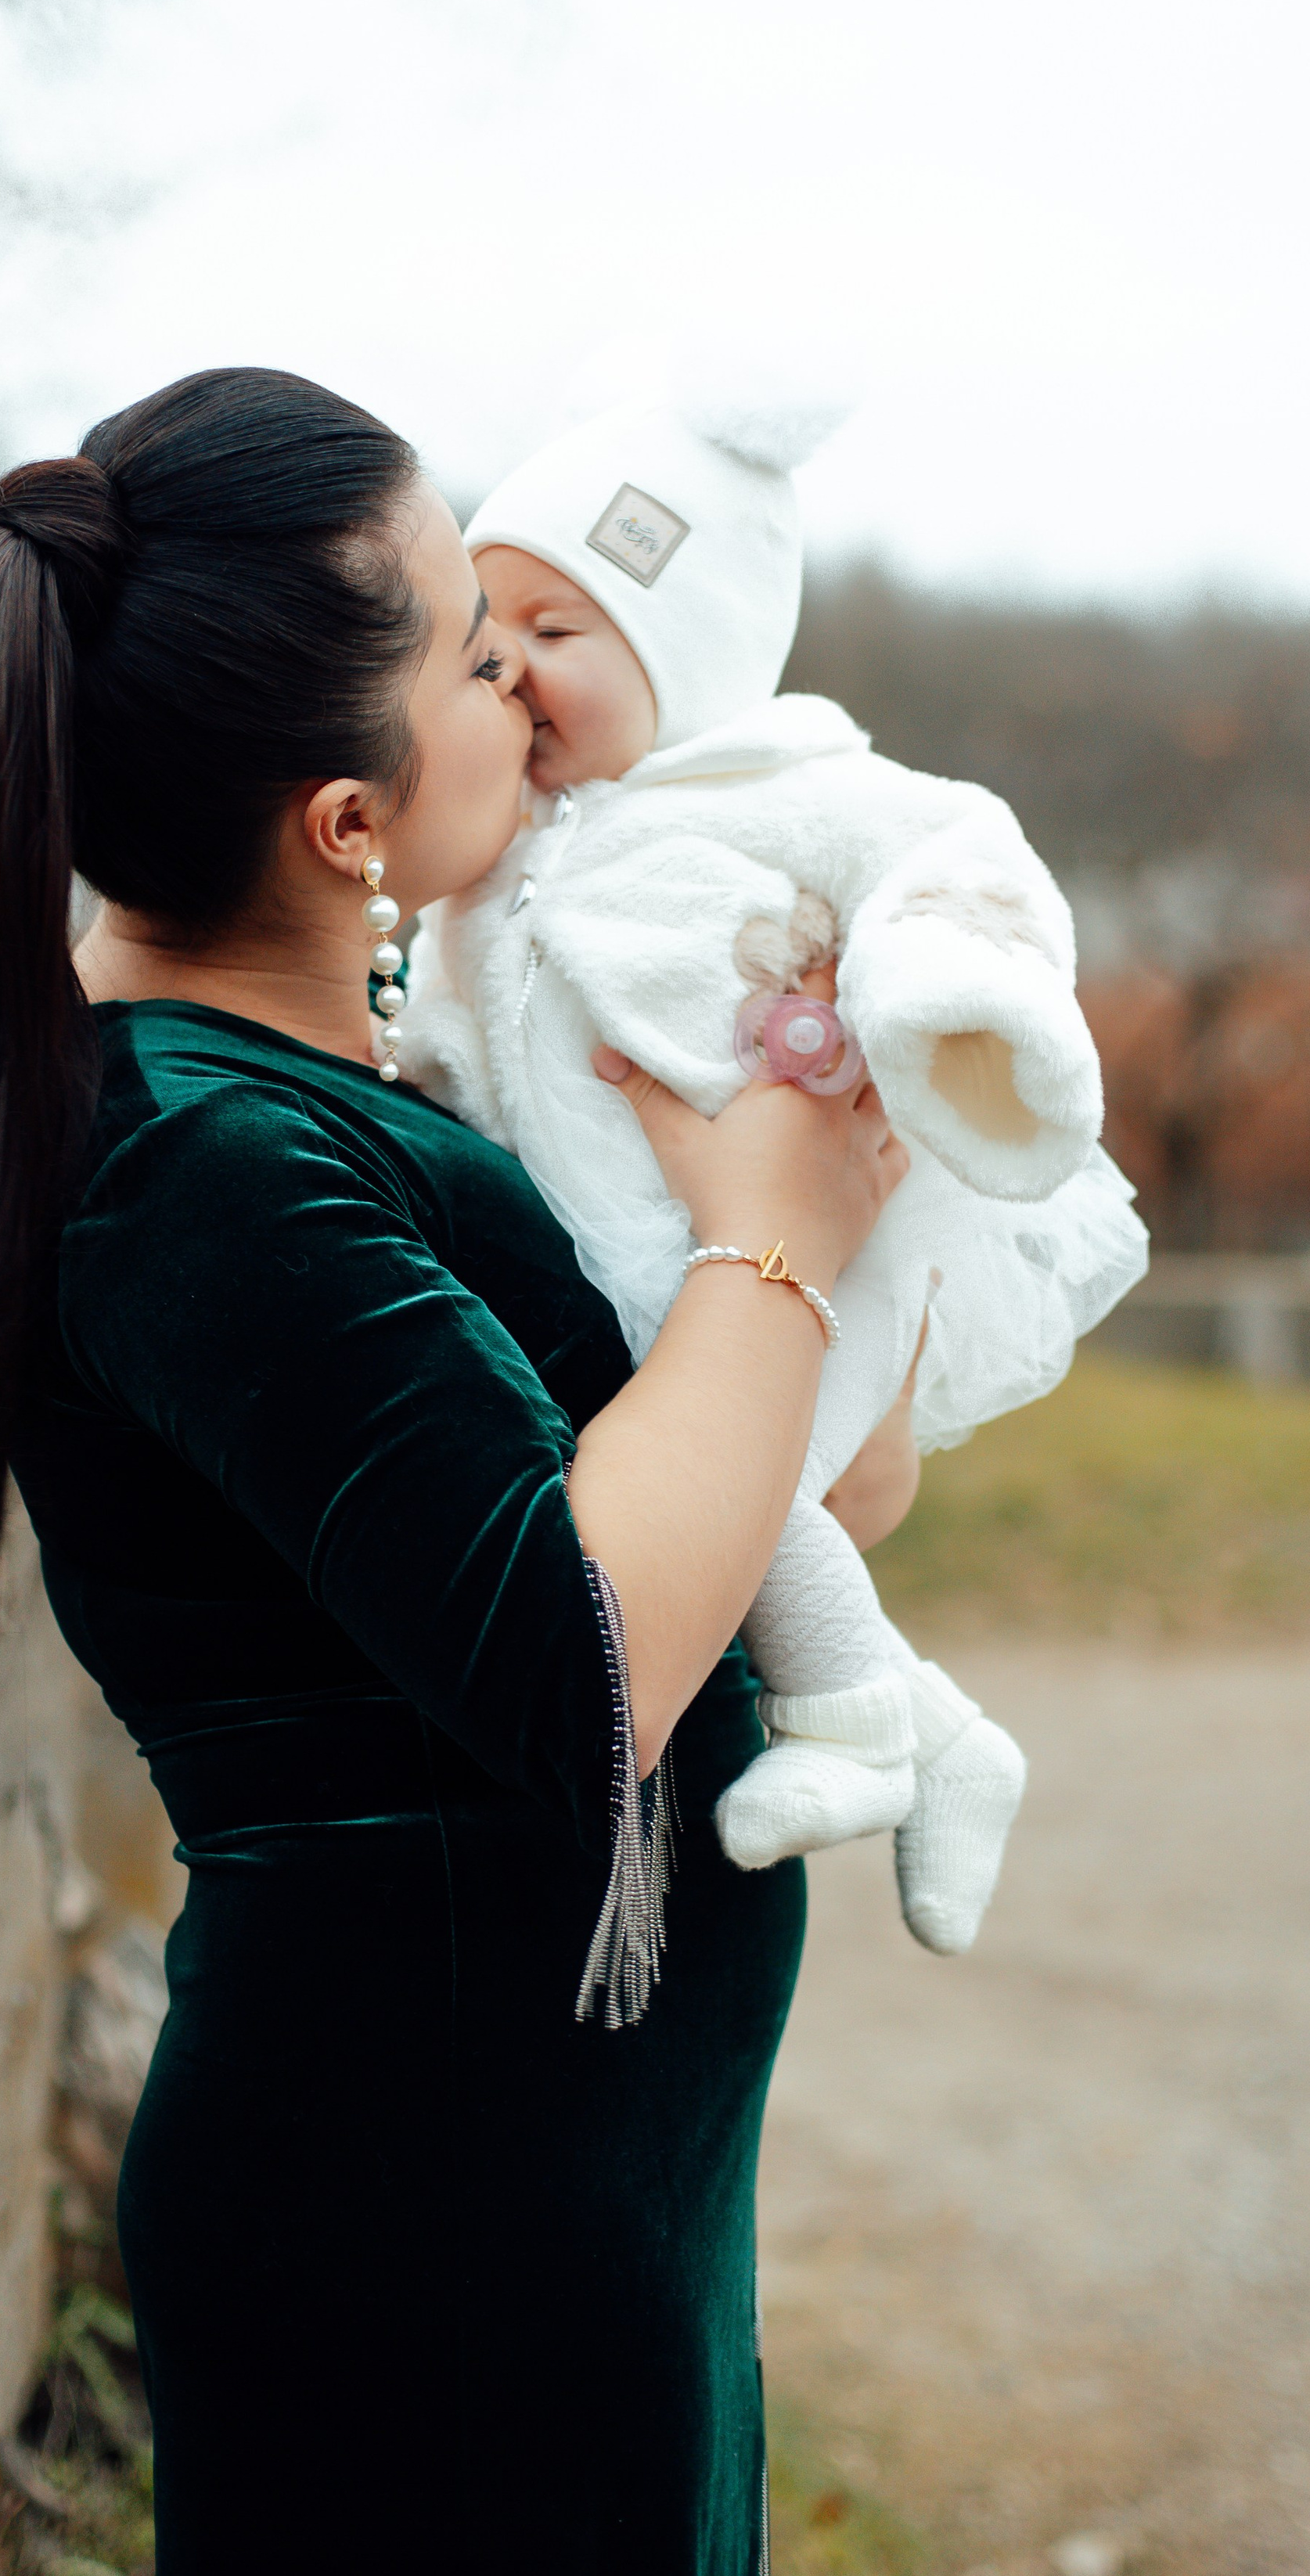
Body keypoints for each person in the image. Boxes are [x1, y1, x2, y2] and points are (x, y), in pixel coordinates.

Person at [0, 365, 910, 2576]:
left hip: (556, 2192)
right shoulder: (202, 1160)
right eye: (461, 655)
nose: (524, 682)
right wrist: (776, 1245)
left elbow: (775, 1495)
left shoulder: (324, 1099)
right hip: (438, 2227)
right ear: (342, 819)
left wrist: (796, 1233)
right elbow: (580, 1645)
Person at [398, 387, 1149, 1951]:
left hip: (813, 1225)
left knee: (757, 1483)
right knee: (711, 1486)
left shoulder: (770, 788)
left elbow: (953, 862)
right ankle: (927, 1734)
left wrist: (958, 1005)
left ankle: (868, 1721)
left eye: (560, 626)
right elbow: (461, 1032)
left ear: (689, 657)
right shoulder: (498, 865)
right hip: (647, 1257)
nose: (512, 667)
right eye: (486, 629)